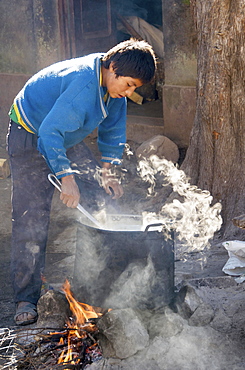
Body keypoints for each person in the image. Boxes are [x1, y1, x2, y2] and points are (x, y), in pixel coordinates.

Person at [6, 38, 156, 325]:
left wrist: (108, 171)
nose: (130, 92)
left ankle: (101, 278)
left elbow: (112, 130)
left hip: (65, 136)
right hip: (30, 135)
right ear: (112, 68)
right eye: (128, 85)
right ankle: (25, 297)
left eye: (135, 87)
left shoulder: (115, 89)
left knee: (100, 199)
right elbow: (49, 133)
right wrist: (66, 177)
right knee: (31, 219)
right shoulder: (83, 86)